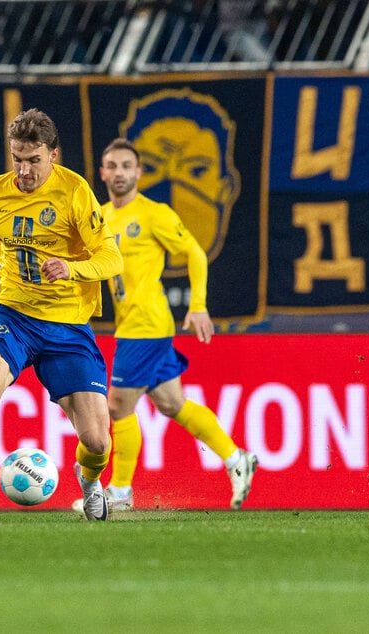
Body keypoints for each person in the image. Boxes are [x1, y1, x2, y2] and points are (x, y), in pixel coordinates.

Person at [0, 108, 123, 523]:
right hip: (12, 312)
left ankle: (89, 483)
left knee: (97, 442)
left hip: (67, 323)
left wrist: (73, 268)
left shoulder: (75, 191)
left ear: (53, 154)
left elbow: (111, 257)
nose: (25, 169)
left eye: (33, 160)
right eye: (17, 158)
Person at [93, 137, 257, 511]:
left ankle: (119, 493)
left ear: (138, 171)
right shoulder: (101, 217)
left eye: (126, 166)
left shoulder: (154, 214)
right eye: (112, 166)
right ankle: (236, 460)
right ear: (103, 173)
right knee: (172, 403)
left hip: (146, 323)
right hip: (133, 323)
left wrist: (198, 305)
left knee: (118, 407)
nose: (119, 173)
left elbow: (195, 253)